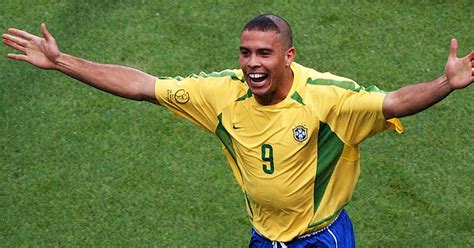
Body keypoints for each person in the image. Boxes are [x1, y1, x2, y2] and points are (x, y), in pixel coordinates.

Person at [3, 14, 473, 247]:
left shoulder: (328, 99)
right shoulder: (220, 94)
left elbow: (392, 102)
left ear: (288, 56)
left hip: (319, 238)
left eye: (264, 53)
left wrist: (444, 84)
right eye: (246, 52)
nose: (252, 63)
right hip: (262, 236)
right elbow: (143, 86)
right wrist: (62, 61)